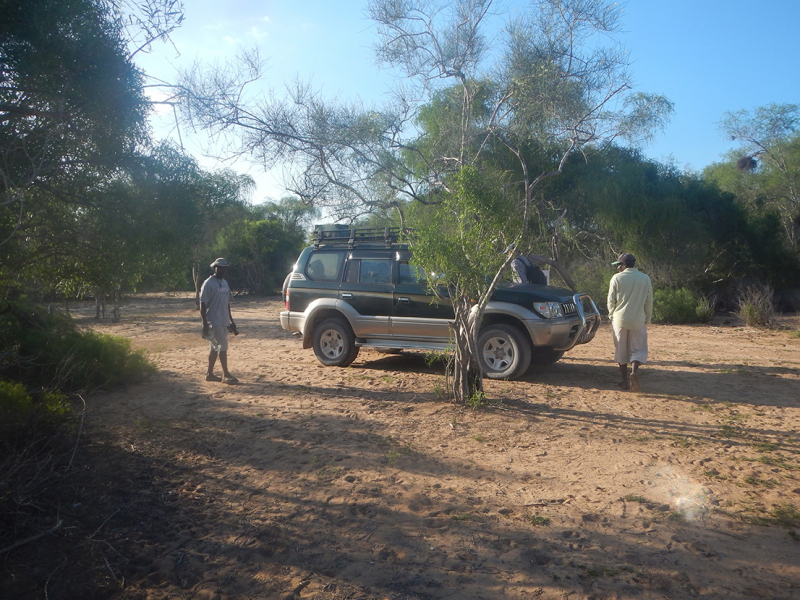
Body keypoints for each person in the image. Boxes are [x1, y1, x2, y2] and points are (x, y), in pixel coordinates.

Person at [607, 253, 653, 392]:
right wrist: (648, 318)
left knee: (621, 350)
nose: (617, 268)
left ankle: (624, 382)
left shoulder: (616, 278)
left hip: (620, 319)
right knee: (638, 348)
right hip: (638, 319)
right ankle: (634, 372)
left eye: (619, 265)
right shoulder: (645, 278)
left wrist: (611, 315)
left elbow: (611, 300)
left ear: (625, 265)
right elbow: (649, 300)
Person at [200, 258, 238, 384]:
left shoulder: (225, 283)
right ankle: (226, 374)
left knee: (214, 347)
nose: (222, 270)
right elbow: (203, 304)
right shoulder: (208, 283)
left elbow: (227, 303)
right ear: (214, 268)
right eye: (220, 267)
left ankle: (209, 374)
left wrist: (231, 321)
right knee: (223, 345)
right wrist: (204, 323)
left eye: (224, 268)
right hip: (213, 320)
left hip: (223, 320)